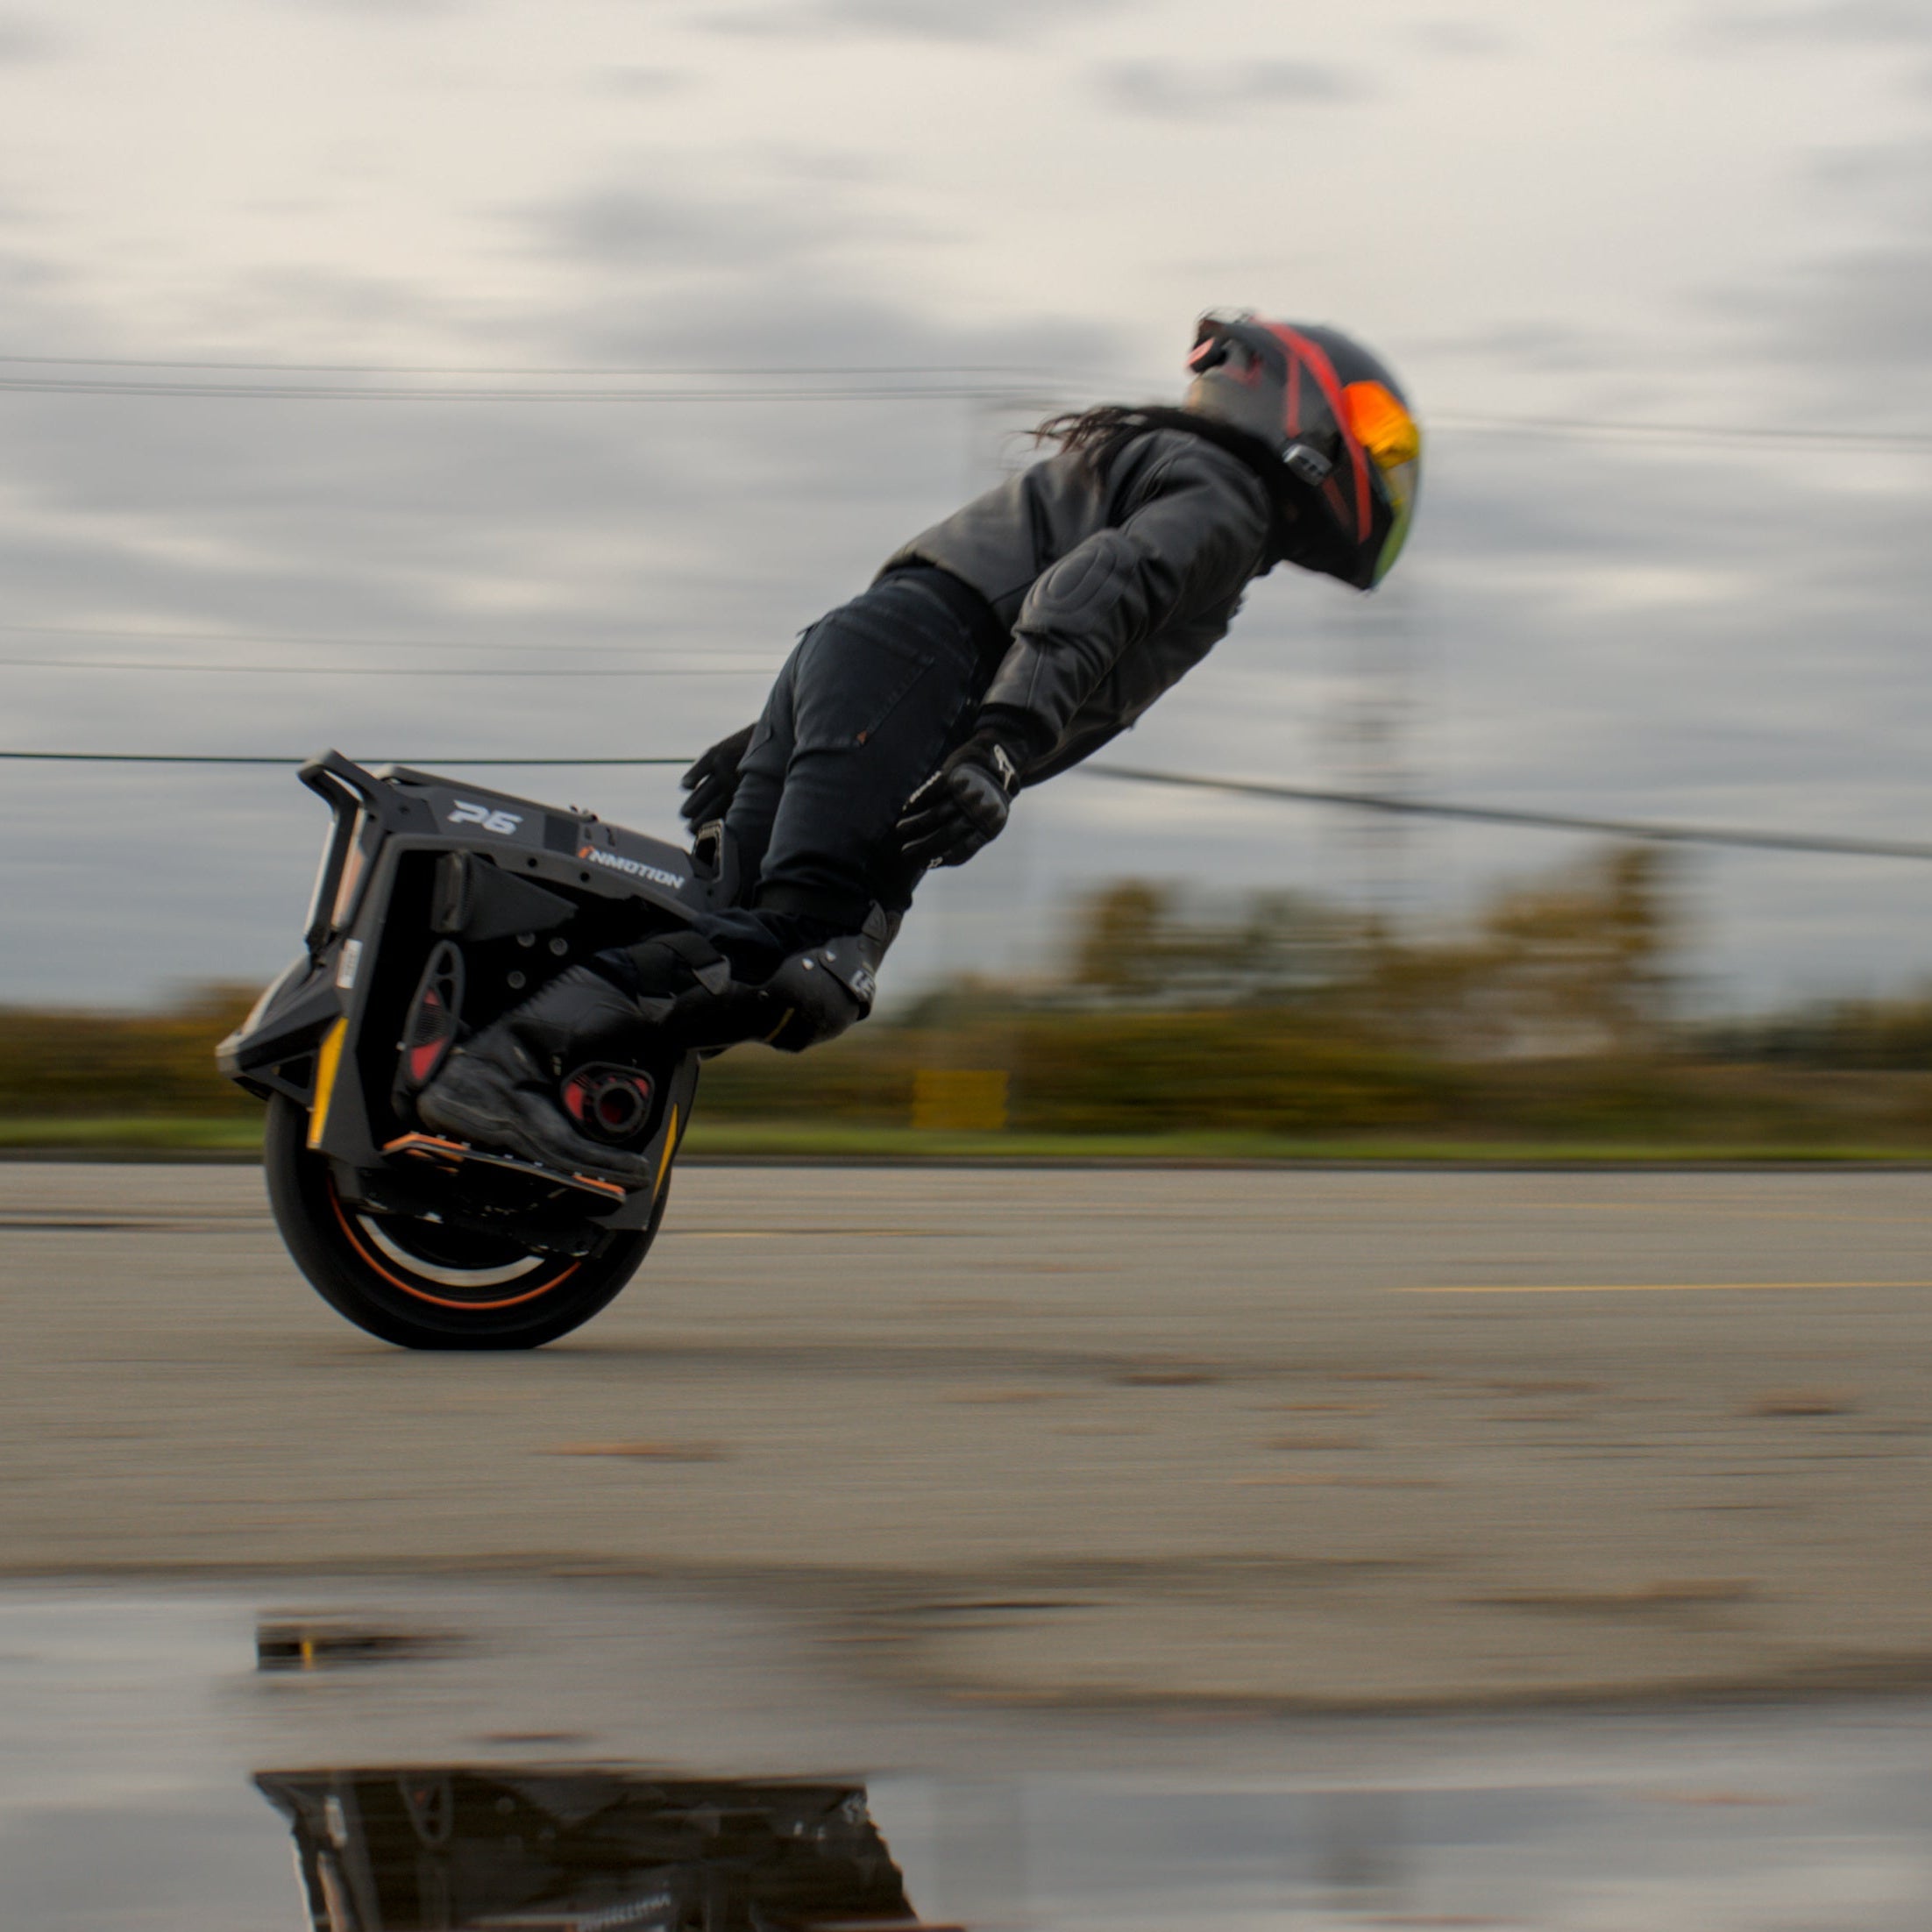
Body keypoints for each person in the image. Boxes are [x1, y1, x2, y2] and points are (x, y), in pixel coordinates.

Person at [418, 311, 1423, 1182]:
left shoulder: (1167, 472)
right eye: (1375, 434)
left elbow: (919, 602)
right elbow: (1085, 589)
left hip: (864, 662)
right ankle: (496, 1070)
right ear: (1305, 415)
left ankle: (497, 1056)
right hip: (918, 679)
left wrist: (793, 728)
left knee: (755, 939)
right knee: (800, 959)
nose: (1383, 462)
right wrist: (998, 744)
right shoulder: (1226, 501)